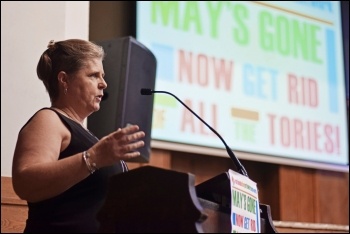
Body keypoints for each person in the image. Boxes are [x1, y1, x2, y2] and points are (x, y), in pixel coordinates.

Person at [11, 39, 146, 233]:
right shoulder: (49, 120)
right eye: (93, 75)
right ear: (64, 79)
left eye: (103, 76)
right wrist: (94, 158)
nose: (103, 83)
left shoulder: (89, 136)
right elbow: (26, 184)